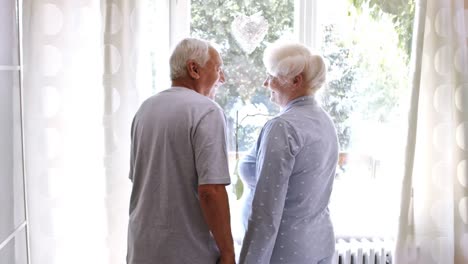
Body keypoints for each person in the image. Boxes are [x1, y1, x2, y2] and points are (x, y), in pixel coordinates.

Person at [126, 38, 235, 264]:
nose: (222, 78)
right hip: (187, 253)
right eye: (218, 69)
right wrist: (228, 253)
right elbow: (211, 191)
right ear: (194, 69)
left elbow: (139, 180)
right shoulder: (207, 111)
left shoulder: (145, 109)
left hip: (142, 249)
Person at [238, 41, 339, 264]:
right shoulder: (325, 121)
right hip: (317, 244)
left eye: (272, 75)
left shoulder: (282, 127)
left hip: (284, 252)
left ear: (296, 80)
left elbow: (266, 214)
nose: (266, 83)